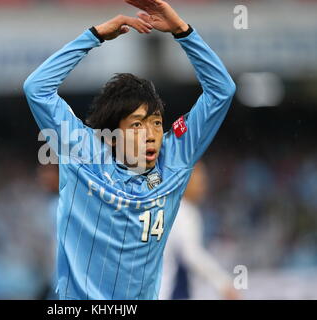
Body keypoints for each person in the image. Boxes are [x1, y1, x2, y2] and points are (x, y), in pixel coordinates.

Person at [23, 0, 235, 300]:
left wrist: (181, 31)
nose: (151, 135)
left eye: (156, 123)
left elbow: (222, 91)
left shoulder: (175, 157)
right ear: (112, 134)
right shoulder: (84, 153)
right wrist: (93, 37)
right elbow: (37, 88)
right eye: (137, 125)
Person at [160, 161, 240, 300]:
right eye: (199, 179)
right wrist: (223, 283)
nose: (203, 186)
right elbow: (192, 254)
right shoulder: (183, 211)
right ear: (183, 179)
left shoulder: (161, 206)